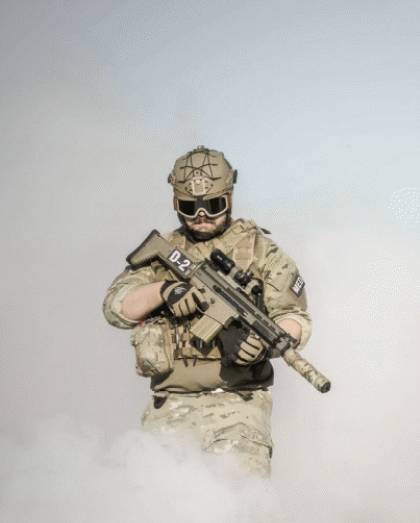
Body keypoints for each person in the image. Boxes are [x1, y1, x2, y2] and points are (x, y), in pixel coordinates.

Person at [103, 146, 311, 477]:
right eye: (190, 207)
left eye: (213, 206)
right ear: (176, 204)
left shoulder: (261, 251)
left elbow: (294, 317)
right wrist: (164, 290)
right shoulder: (163, 254)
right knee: (158, 505)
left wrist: (265, 346)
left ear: (229, 198)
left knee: (240, 503)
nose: (202, 216)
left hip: (239, 407)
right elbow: (116, 307)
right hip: (170, 407)